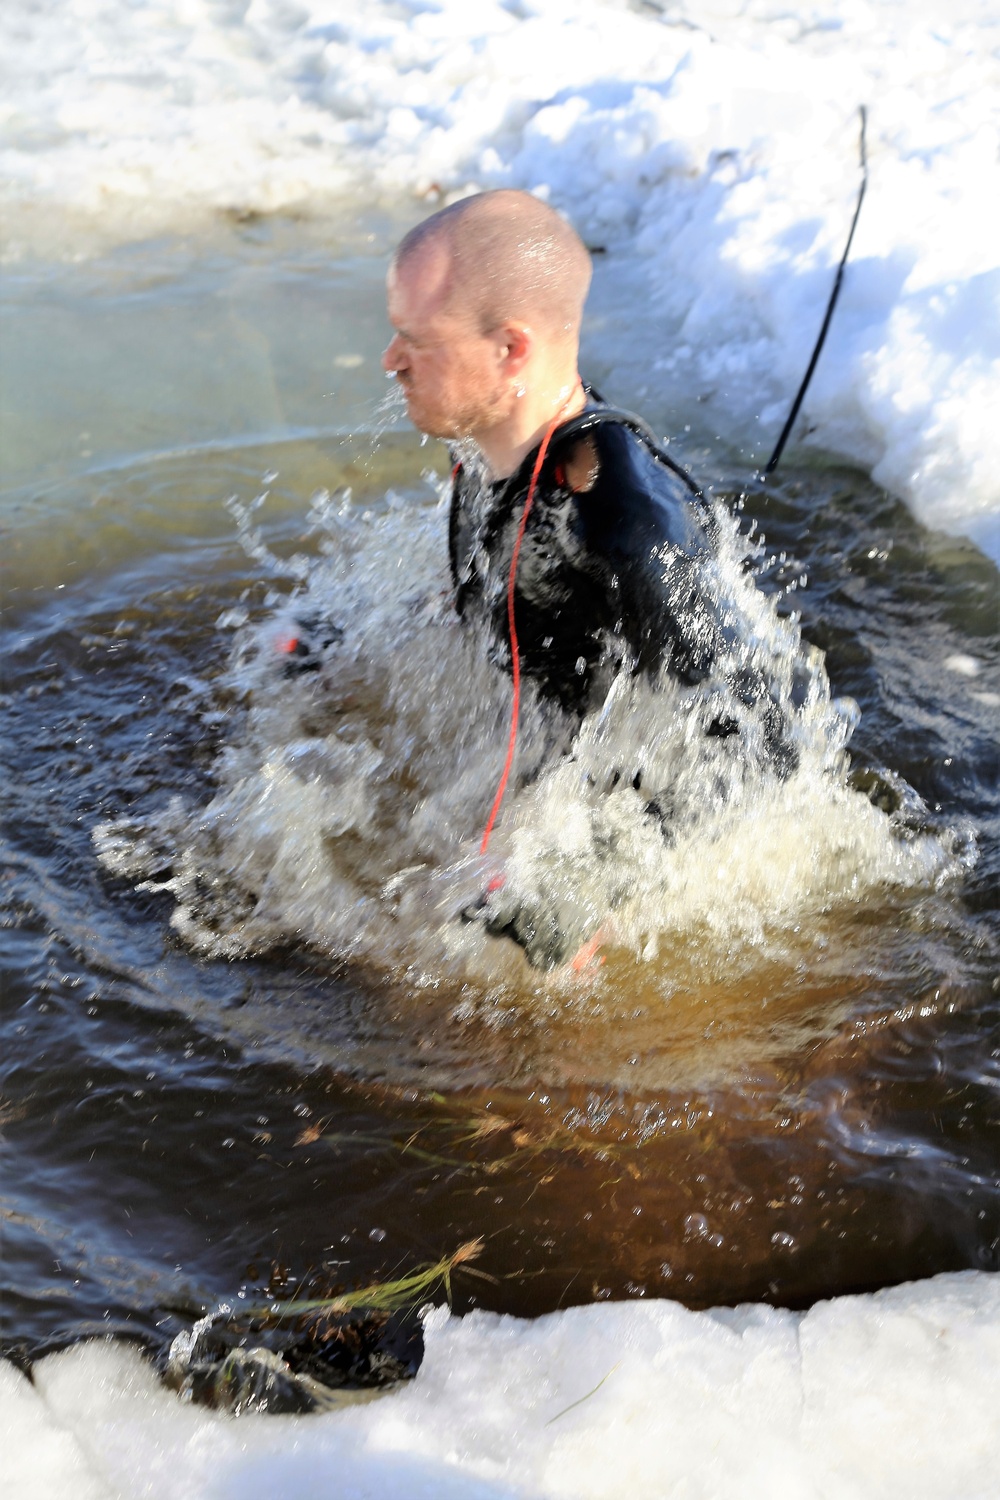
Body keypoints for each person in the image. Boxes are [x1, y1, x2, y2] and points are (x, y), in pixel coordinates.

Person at [381, 189, 793, 966]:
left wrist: (593, 878)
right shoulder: (487, 435)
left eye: (413, 339)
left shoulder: (625, 527)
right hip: (528, 758)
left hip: (606, 812)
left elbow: (760, 733)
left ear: (511, 350)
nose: (390, 360)